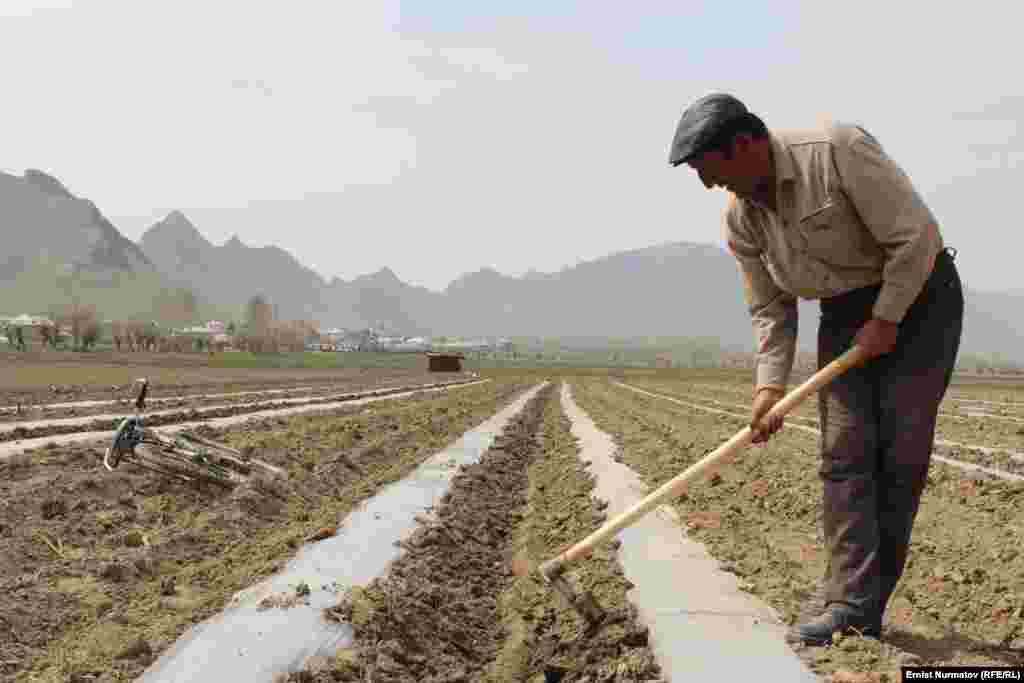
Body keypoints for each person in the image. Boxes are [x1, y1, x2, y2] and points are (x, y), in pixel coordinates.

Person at [667, 93, 963, 645]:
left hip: (920, 299)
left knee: (897, 455)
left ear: (748, 144)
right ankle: (850, 605)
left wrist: (888, 317)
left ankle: (862, 602)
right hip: (845, 313)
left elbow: (914, 237)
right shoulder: (741, 219)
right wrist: (769, 388)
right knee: (845, 455)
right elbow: (771, 309)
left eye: (713, 171)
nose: (711, 187)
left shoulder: (835, 151)